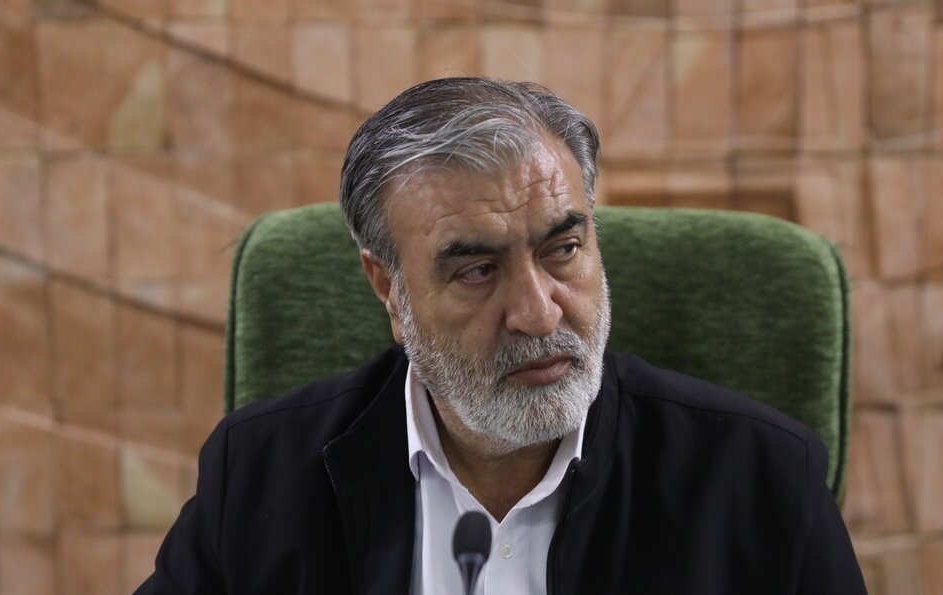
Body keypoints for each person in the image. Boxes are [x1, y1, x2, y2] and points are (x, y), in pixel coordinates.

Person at [136, 78, 867, 594]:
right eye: (478, 270)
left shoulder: (761, 479)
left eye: (563, 250)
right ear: (389, 288)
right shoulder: (258, 474)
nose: (539, 314)